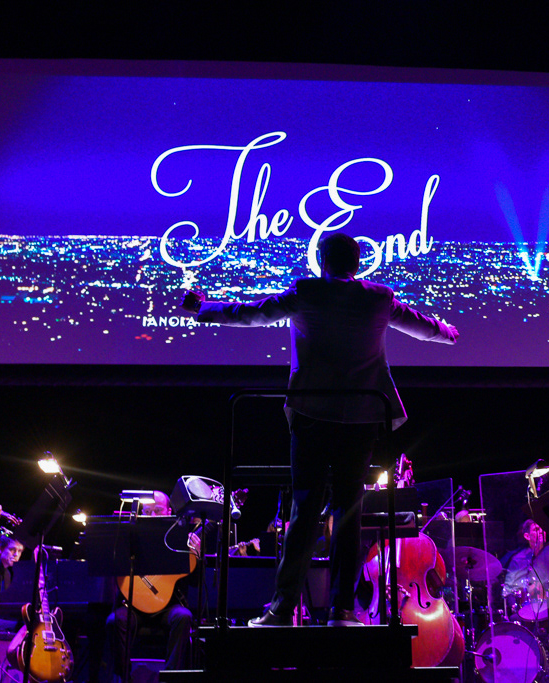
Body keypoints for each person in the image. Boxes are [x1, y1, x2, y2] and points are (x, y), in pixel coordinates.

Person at [179, 232, 459, 627]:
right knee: (349, 513)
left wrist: (203, 308)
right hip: (362, 418)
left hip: (312, 416)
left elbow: (252, 313)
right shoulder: (379, 297)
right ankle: (342, 610)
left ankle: (282, 610)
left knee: (304, 510)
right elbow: (421, 326)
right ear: (357, 264)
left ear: (322, 262)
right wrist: (447, 331)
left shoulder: (307, 291)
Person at [105, 491, 195, 675]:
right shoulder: (129, 537)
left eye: (158, 510)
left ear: (169, 511)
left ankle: (171, 676)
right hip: (134, 607)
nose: (153, 515)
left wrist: (197, 555)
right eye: (147, 511)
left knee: (184, 617)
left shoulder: (180, 538)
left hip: (168, 606)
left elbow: (195, 583)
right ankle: (124, 677)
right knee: (113, 621)